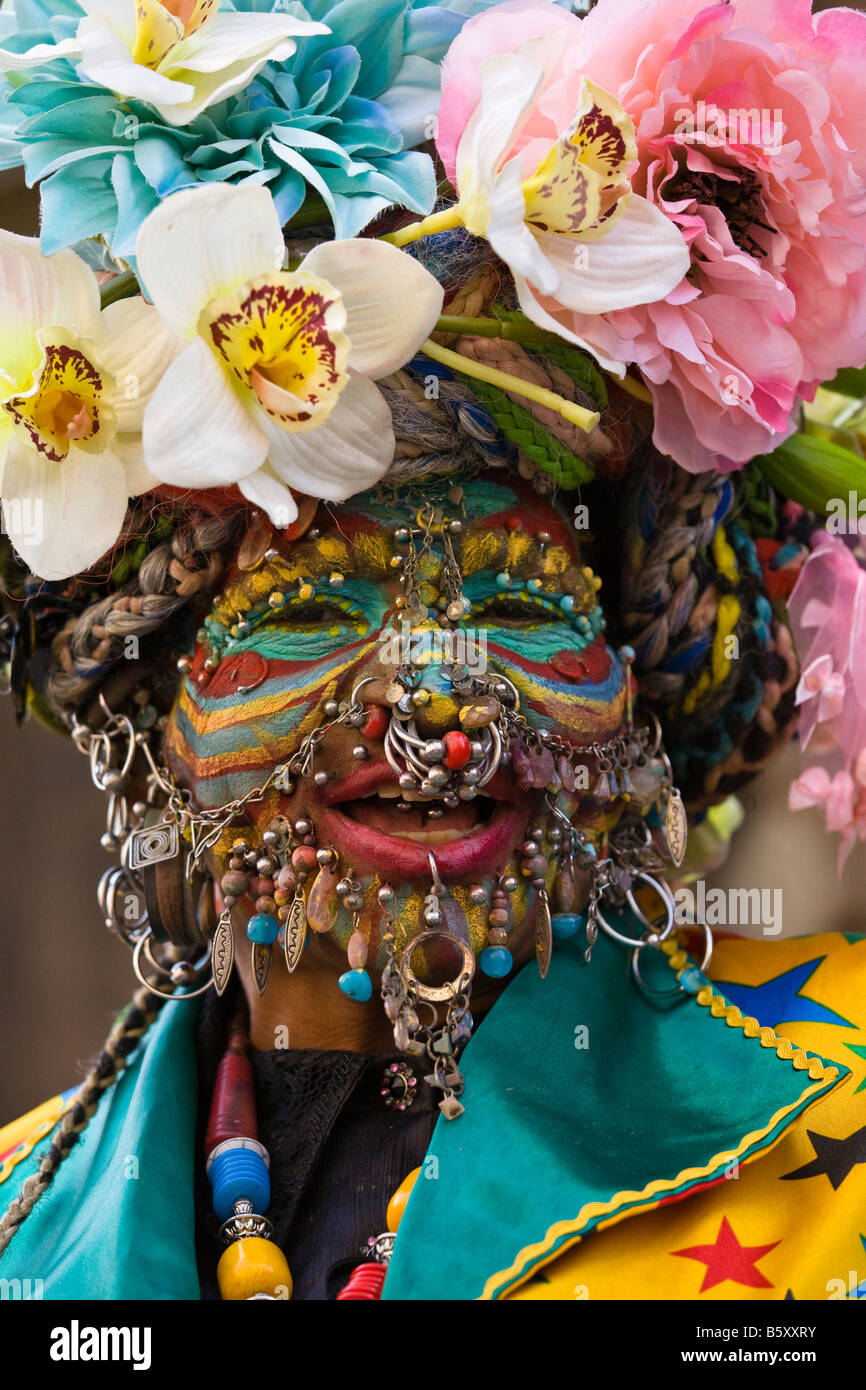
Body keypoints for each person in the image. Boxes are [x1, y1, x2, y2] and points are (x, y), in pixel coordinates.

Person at [1, 0, 866, 1304]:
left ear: (637, 693)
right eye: (305, 615)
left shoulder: (839, 1125)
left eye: (521, 614)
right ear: (152, 705)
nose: (430, 697)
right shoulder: (21, 1213)